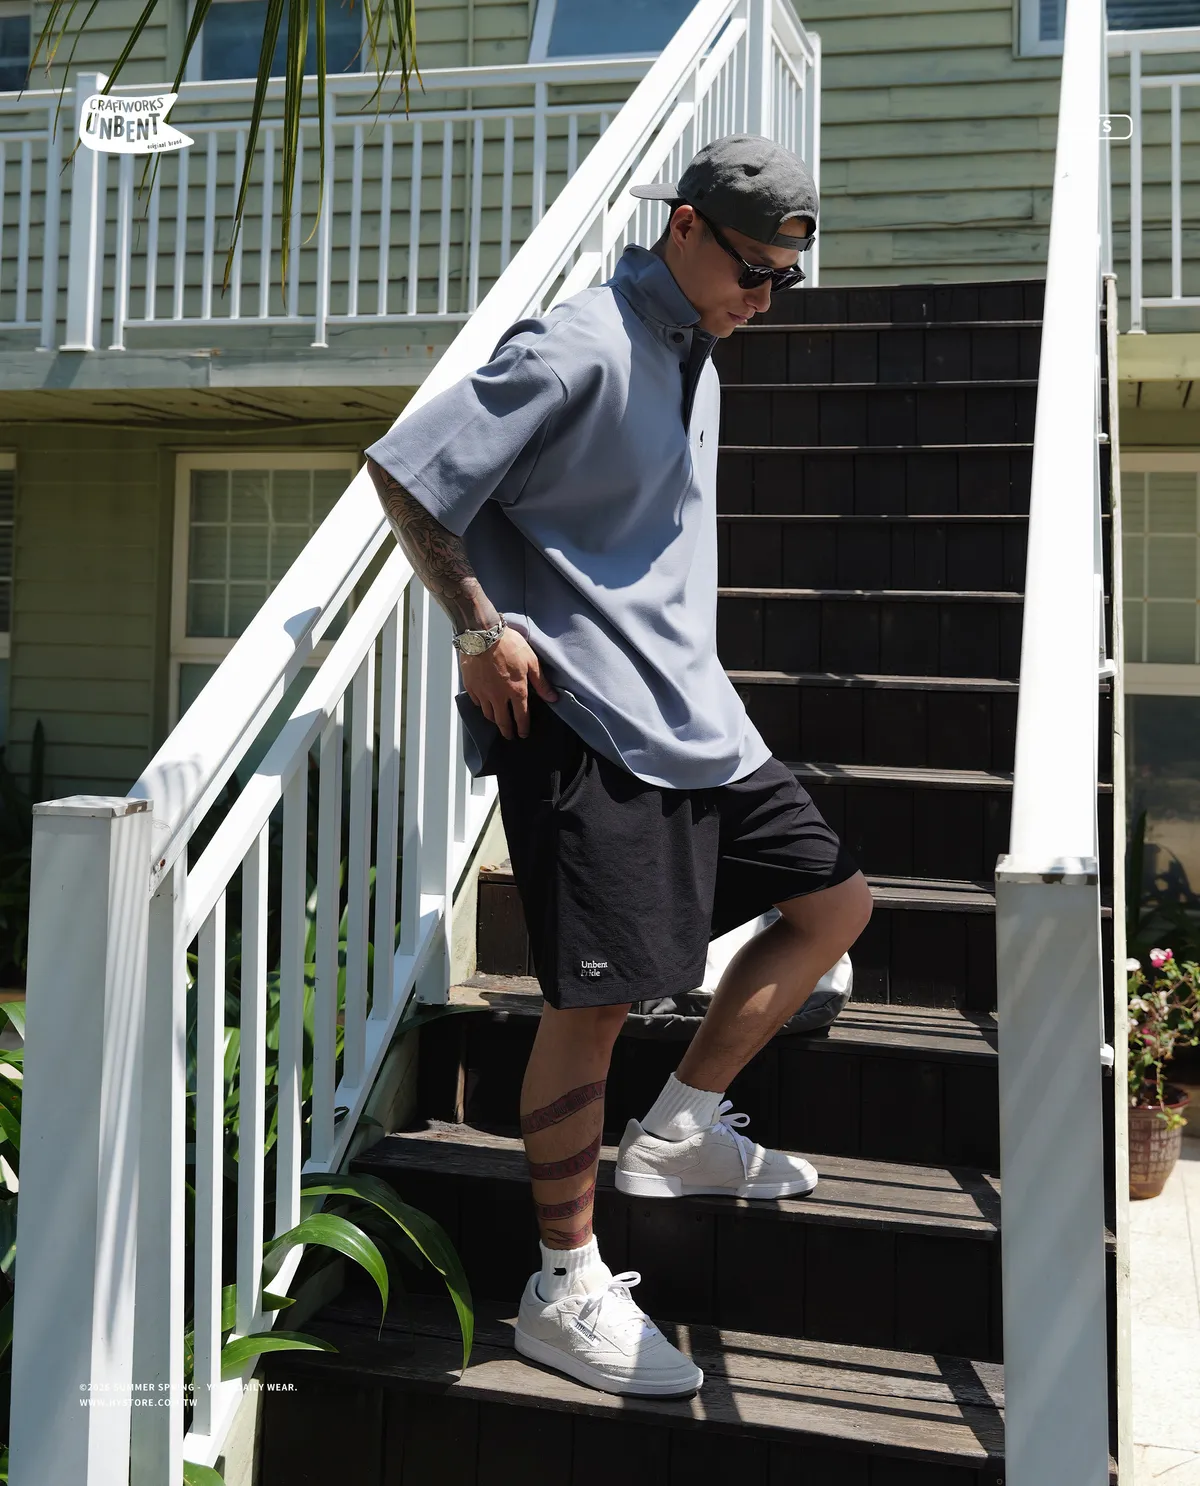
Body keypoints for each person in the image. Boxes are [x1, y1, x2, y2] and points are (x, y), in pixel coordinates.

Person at [364, 133, 874, 1399]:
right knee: (590, 1007)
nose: (766, 300)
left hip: (697, 712)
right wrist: (478, 629)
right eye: (752, 271)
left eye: (786, 281)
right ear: (684, 227)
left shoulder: (699, 348)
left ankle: (683, 1127)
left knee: (833, 904)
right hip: (587, 719)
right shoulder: (577, 345)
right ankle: (563, 1284)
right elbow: (407, 476)